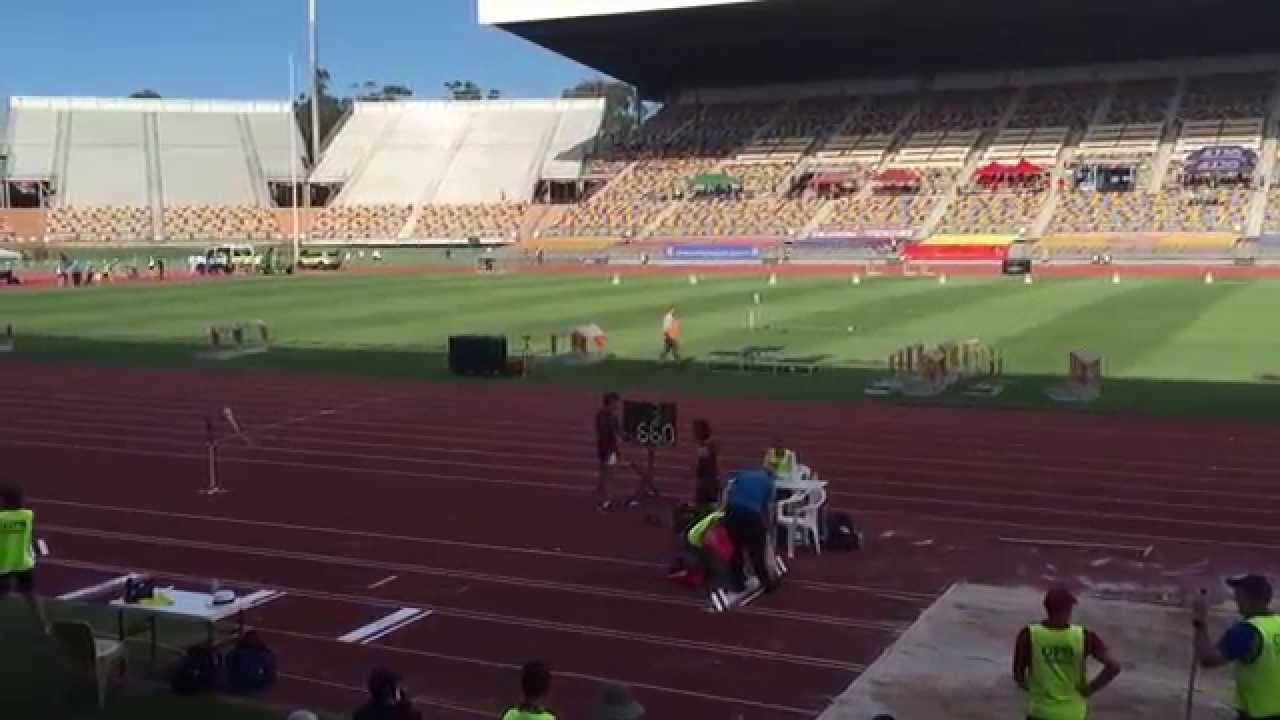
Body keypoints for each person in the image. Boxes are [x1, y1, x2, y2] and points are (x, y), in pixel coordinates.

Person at [1013, 587, 1121, 720]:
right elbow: (1114, 666)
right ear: (1069, 609)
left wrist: (1034, 691)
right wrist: (1090, 689)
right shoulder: (1084, 636)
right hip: (1073, 714)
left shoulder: (1029, 635)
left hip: (1040, 712)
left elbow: (1018, 675)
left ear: (1046, 608)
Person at [1192, 574, 1280, 720]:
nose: (1236, 599)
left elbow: (1208, 659)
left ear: (1250, 598)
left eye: (1239, 594)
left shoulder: (1247, 631)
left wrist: (1199, 621)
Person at [722, 468, 779, 594]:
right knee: (757, 550)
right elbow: (768, 509)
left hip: (732, 511)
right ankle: (766, 583)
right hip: (751, 515)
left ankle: (737, 583)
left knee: (736, 549)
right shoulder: (770, 483)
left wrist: (723, 511)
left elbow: (727, 492)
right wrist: (768, 527)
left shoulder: (743, 474)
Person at [0, 483, 48, 632]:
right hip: (24, 562)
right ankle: (43, 626)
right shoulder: (27, 516)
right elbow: (33, 535)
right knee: (32, 596)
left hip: (3, 564)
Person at [352, 667, 422, 720]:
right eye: (396, 686)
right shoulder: (404, 715)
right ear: (389, 691)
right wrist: (404, 705)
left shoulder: (361, 714)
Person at [595, 392, 624, 511]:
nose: (617, 405)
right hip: (607, 450)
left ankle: (604, 499)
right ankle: (605, 502)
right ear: (610, 403)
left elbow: (619, 431)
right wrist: (610, 451)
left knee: (607, 475)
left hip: (609, 450)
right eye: (615, 403)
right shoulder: (604, 417)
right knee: (608, 476)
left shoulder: (610, 416)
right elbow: (605, 435)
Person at [692, 419, 720, 508]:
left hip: (707, 480)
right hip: (707, 480)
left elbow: (704, 458)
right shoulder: (707, 444)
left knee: (705, 505)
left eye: (696, 430)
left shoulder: (708, 444)